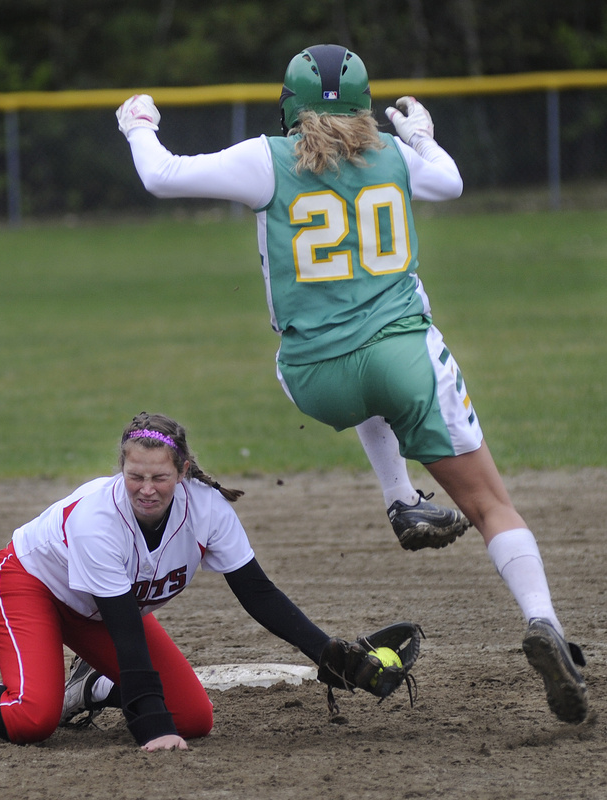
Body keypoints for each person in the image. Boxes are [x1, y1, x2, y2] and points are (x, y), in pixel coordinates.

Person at [112, 45, 588, 724]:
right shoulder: (394, 153)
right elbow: (450, 182)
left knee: (359, 381)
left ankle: (401, 499)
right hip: (404, 357)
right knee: (491, 507)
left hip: (314, 376)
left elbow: (161, 176)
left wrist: (138, 121)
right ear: (366, 103)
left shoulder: (265, 159)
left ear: (288, 104)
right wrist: (420, 129)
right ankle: (542, 621)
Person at [0, 412, 412, 750]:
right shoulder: (98, 520)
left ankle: (89, 687)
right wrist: (150, 727)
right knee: (31, 719)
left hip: (91, 609)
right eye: (134, 475)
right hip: (27, 585)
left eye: (159, 476)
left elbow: (259, 594)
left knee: (197, 719)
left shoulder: (206, 509)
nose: (146, 488)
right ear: (122, 470)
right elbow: (123, 625)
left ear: (182, 472)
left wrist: (326, 650)